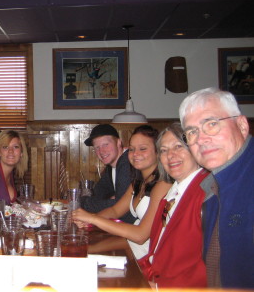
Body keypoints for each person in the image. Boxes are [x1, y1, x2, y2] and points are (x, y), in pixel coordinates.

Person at [179, 87, 253, 288]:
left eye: (211, 124)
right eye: (191, 132)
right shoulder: (213, 187)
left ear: (242, 125)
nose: (201, 139)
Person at [73, 125, 171, 259]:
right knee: (84, 251)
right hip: (136, 248)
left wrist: (92, 218)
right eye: (132, 149)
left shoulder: (162, 184)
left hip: (155, 257)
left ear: (158, 152)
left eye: (143, 149)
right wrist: (89, 224)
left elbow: (140, 236)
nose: (136, 154)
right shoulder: (138, 181)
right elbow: (115, 211)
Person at [138, 123, 209, 288]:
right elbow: (157, 252)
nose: (170, 155)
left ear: (195, 149)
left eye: (178, 146)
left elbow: (209, 264)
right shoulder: (170, 196)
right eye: (163, 150)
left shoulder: (206, 195)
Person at [80, 124, 135, 224]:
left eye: (106, 144)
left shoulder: (126, 163)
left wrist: (83, 202)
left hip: (135, 229)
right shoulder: (111, 166)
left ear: (118, 142)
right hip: (122, 227)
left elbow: (119, 206)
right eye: (97, 147)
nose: (101, 151)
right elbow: (97, 194)